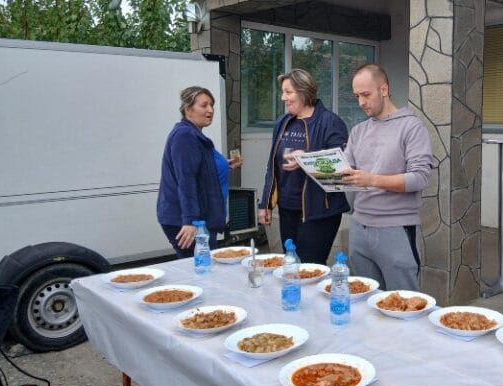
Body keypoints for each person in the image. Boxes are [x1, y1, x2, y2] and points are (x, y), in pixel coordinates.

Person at [341, 64, 433, 291]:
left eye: (366, 94)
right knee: (365, 302)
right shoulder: (358, 131)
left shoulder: (411, 127)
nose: (361, 102)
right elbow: (343, 171)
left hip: (396, 229)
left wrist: (372, 180)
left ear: (384, 89)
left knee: (403, 304)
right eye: (357, 96)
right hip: (359, 228)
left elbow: (420, 178)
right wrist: (308, 162)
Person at [258, 69, 349, 264]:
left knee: (310, 268)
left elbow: (341, 171)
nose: (283, 98)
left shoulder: (331, 123)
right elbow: (272, 165)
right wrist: (265, 203)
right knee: (291, 264)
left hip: (320, 212)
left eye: (288, 92)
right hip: (287, 209)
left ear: (304, 91)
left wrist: (306, 159)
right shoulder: (283, 123)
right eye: (283, 92)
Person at [157, 86, 242, 258]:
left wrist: (224, 166)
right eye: (204, 105)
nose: (210, 110)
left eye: (212, 105)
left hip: (201, 220)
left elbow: (199, 170)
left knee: (202, 270)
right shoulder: (185, 136)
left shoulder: (194, 135)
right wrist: (190, 221)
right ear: (188, 109)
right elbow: (186, 180)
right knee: (200, 271)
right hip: (190, 222)